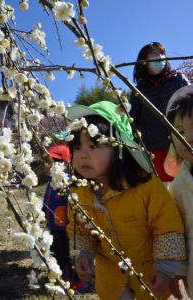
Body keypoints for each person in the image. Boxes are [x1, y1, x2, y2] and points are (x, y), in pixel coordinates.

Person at [66, 100, 186, 300]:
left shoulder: (145, 186)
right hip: (113, 283)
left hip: (150, 278)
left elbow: (168, 226)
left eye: (93, 146)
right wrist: (82, 255)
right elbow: (80, 230)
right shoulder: (79, 193)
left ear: (118, 148)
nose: (83, 155)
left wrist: (165, 269)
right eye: (77, 148)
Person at [129, 42, 189, 183]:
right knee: (167, 190)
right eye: (154, 55)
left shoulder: (178, 80)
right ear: (144, 62)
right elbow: (132, 122)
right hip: (156, 150)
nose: (160, 58)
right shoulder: (139, 90)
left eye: (162, 54)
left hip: (183, 143)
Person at [43, 144, 88, 292]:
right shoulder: (50, 181)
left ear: (66, 164)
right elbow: (46, 200)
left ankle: (77, 281)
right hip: (54, 227)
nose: (48, 166)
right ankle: (63, 277)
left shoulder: (68, 181)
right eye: (48, 162)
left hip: (66, 229)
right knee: (58, 253)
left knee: (70, 255)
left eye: (54, 163)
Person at [164, 85, 193, 299]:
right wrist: (178, 272)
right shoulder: (176, 187)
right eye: (180, 132)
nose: (188, 138)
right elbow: (176, 231)